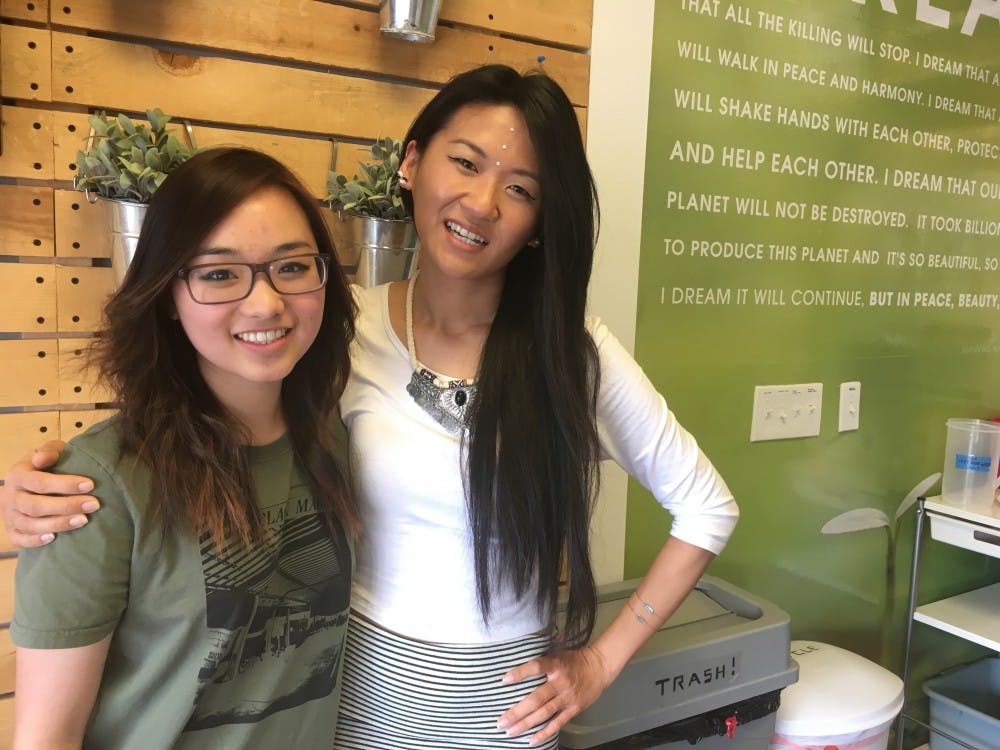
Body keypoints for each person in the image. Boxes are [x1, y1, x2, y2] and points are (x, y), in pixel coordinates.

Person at [2, 66, 738, 749]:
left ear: (542, 218)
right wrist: (51, 491)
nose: (482, 203)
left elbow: (707, 507)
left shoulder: (572, 355)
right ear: (412, 163)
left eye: (520, 188)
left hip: (503, 710)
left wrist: (602, 661)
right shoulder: (339, 329)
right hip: (353, 698)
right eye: (466, 162)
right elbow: (212, 412)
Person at [8, 147, 358, 749]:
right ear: (168, 294)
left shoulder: (340, 438)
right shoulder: (95, 485)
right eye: (219, 274)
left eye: (292, 266)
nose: (266, 302)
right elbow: (46, 738)